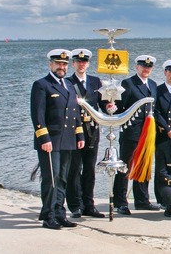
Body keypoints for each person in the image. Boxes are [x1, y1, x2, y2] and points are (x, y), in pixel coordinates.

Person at [31, 49, 85, 229]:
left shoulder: (69, 85)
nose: (61, 67)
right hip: (50, 140)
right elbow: (38, 115)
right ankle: (48, 215)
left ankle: (60, 213)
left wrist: (80, 134)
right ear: (51, 64)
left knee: (63, 178)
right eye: (58, 63)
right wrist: (43, 138)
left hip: (68, 139)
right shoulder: (41, 85)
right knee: (51, 178)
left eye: (64, 64)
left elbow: (75, 113)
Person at [114, 55, 159, 214]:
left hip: (147, 133)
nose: (146, 69)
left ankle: (142, 200)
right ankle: (120, 202)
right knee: (125, 167)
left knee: (144, 166)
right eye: (143, 66)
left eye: (149, 67)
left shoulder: (153, 85)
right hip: (131, 132)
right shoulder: (129, 83)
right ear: (137, 67)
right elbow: (120, 108)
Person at [65, 49, 107, 219]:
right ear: (73, 64)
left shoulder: (96, 82)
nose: (81, 64)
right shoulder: (68, 82)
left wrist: (110, 108)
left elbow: (103, 104)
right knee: (74, 169)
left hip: (92, 130)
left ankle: (88, 204)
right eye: (78, 61)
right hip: (74, 130)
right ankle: (75, 205)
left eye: (84, 62)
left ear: (88, 64)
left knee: (89, 169)